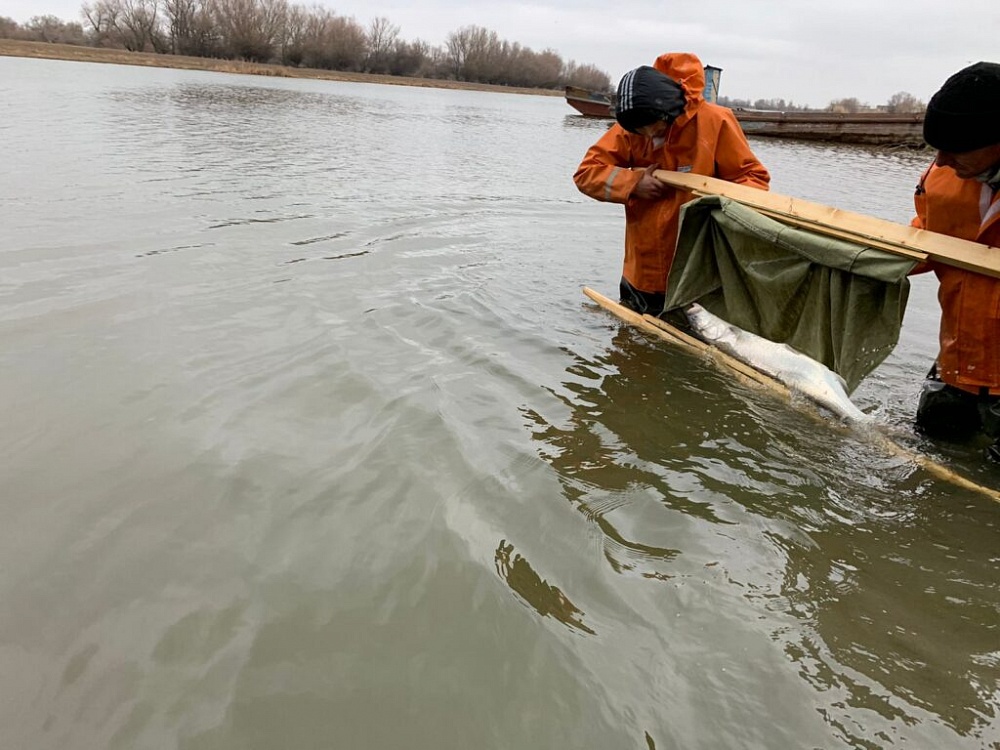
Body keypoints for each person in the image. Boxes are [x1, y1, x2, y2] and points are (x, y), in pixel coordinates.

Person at [573, 52, 770, 315]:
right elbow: (586, 173)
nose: (648, 136)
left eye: (653, 128)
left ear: (666, 112)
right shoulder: (632, 126)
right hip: (641, 270)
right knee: (631, 336)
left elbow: (754, 179)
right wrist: (633, 183)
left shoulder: (716, 121)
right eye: (640, 131)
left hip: (697, 271)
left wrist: (716, 206)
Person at [910, 61, 1000, 459]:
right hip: (958, 360)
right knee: (929, 456)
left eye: (955, 148)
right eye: (937, 148)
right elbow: (925, 237)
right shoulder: (944, 176)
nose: (941, 160)